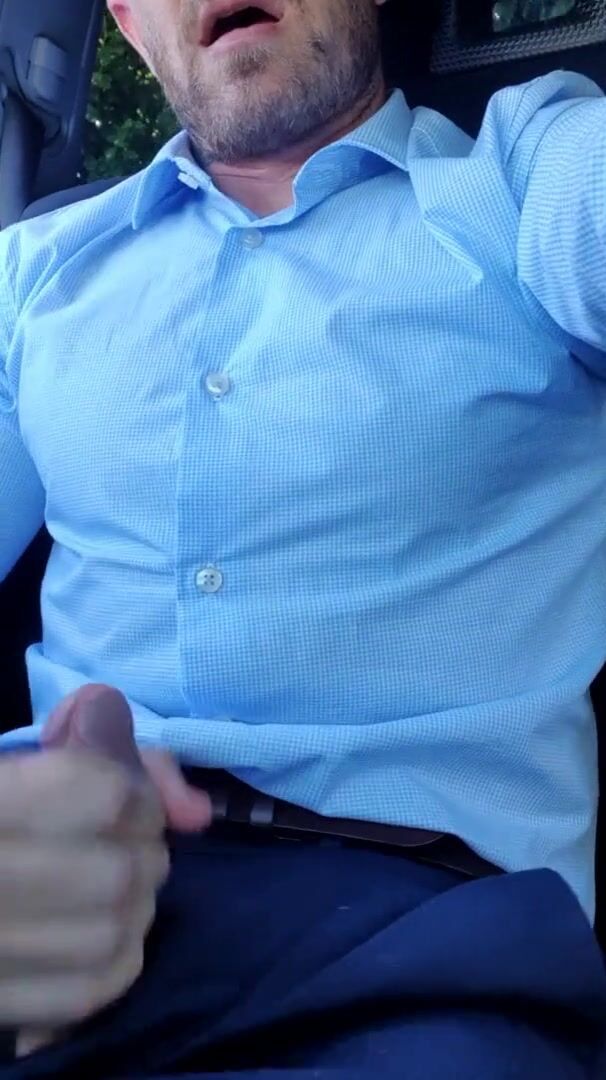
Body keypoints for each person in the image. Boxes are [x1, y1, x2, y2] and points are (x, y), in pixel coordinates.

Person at [0, 0, 605, 1074]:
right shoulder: (28, 274)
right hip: (46, 896)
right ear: (130, 25)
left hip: (421, 942)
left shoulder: (524, 177)